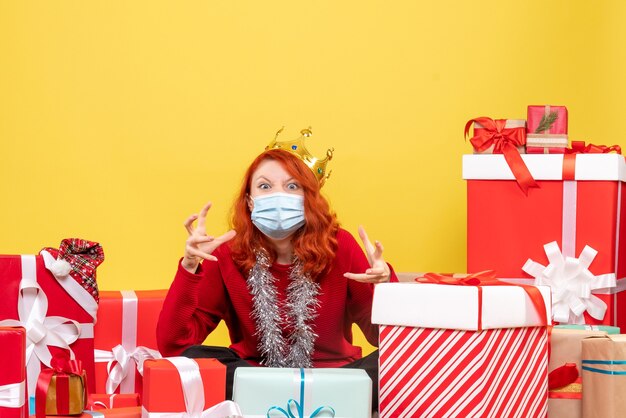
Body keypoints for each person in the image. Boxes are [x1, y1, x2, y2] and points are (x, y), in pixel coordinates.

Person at [157, 128, 397, 407]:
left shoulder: (339, 244)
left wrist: (384, 287)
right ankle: (296, 399)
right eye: (265, 186)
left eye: (292, 186)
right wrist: (189, 266)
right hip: (255, 378)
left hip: (335, 377)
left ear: (309, 198)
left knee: (397, 364)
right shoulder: (227, 253)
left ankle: (293, 399)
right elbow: (173, 346)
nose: (278, 196)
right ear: (249, 200)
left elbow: (386, 340)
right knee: (192, 362)